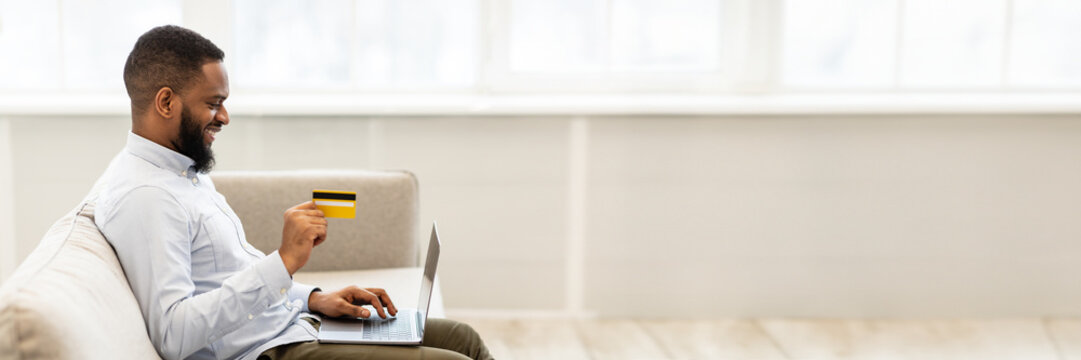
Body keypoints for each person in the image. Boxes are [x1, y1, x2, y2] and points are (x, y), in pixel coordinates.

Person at [92, 25, 493, 360]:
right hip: (269, 352)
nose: (225, 117)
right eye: (213, 104)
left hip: (291, 326)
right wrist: (284, 261)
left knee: (463, 338)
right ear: (165, 102)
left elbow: (228, 274)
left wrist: (314, 298)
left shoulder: (182, 172)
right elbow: (174, 334)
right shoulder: (147, 197)